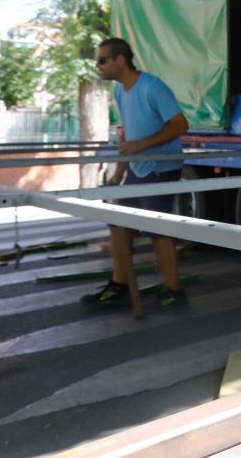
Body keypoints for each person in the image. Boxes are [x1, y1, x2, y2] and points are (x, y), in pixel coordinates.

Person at [81, 37, 191, 310]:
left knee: (158, 231)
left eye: (102, 60)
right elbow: (128, 134)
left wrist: (142, 145)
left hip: (162, 168)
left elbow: (180, 125)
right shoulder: (120, 91)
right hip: (137, 169)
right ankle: (119, 285)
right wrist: (119, 171)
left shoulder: (152, 87)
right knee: (118, 224)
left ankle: (174, 291)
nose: (99, 66)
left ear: (120, 60)